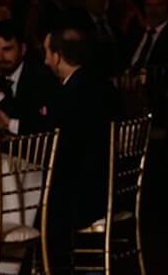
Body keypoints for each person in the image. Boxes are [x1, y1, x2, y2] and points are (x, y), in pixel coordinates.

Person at [40, 26, 121, 245]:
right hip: (112, 188)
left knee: (33, 203)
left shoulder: (68, 95)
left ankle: (50, 271)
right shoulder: (103, 85)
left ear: (57, 57)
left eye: (47, 53)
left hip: (83, 197)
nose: (46, 61)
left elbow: (56, 146)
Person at [0, 21, 60, 135]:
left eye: (7, 49)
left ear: (23, 49)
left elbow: (24, 125)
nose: (0, 57)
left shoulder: (41, 77)